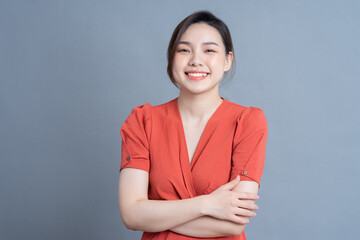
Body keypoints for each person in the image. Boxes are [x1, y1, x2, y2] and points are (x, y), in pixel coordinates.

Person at [118, 10, 268, 240]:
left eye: (209, 50)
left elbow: (232, 224)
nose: (196, 60)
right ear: (171, 59)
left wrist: (156, 214)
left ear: (228, 60)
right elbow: (131, 215)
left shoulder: (247, 122)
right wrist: (208, 204)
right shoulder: (142, 121)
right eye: (184, 50)